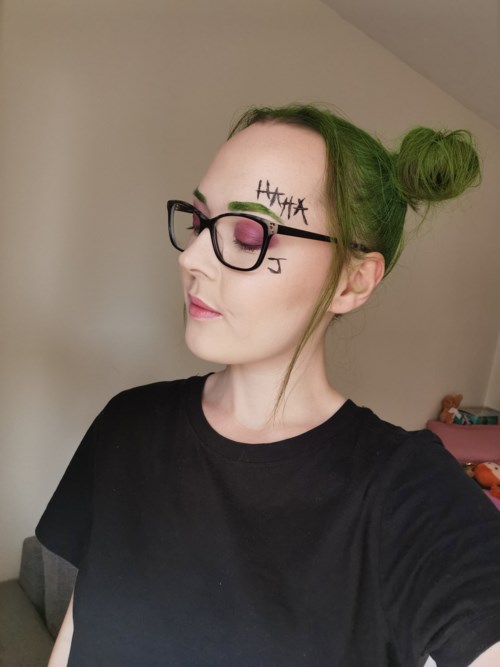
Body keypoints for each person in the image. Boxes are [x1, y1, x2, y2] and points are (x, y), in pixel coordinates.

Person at [37, 104, 500, 666]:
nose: (192, 258)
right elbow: (79, 628)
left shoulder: (406, 492)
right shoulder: (127, 425)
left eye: (248, 232)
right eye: (199, 221)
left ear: (353, 281)